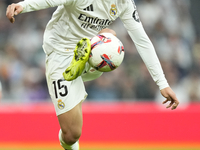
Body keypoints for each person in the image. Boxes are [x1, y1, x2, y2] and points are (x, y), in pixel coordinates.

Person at [6, 0, 179, 150]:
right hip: (61, 53)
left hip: (90, 50)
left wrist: (162, 83)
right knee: (72, 134)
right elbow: (49, 1)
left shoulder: (124, 3)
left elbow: (141, 40)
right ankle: (77, 78)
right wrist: (22, 6)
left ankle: (87, 66)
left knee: (110, 42)